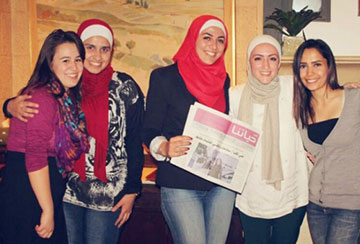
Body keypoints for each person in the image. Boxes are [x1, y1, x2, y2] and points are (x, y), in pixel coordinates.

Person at [2, 19, 144, 244]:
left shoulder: (120, 86)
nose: (97, 56)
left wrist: (132, 191)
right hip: (65, 191)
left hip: (107, 194)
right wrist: (9, 105)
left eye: (104, 48)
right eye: (89, 48)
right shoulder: (65, 89)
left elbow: (135, 140)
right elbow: (36, 132)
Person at [142, 15, 236, 244]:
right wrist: (163, 146)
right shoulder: (164, 78)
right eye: (207, 37)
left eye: (220, 40)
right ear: (193, 38)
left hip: (220, 185)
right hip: (179, 182)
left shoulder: (224, 80)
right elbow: (149, 128)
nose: (214, 46)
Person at [0, 29, 88, 244]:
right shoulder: (42, 97)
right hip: (27, 191)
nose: (74, 67)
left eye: (78, 59)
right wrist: (47, 209)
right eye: (65, 60)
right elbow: (35, 157)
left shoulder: (65, 97)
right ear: (50, 64)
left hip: (43, 188)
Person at [229, 35, 309, 244]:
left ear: (279, 62)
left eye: (272, 58)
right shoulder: (234, 96)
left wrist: (348, 90)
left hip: (290, 190)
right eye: (258, 58)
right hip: (251, 193)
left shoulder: (295, 89)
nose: (265, 65)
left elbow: (326, 96)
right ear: (249, 62)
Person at [293, 39, 360, 244]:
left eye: (317, 64)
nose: (310, 73)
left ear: (329, 65)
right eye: (303, 66)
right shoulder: (300, 108)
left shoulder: (354, 98)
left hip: (350, 204)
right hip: (315, 205)